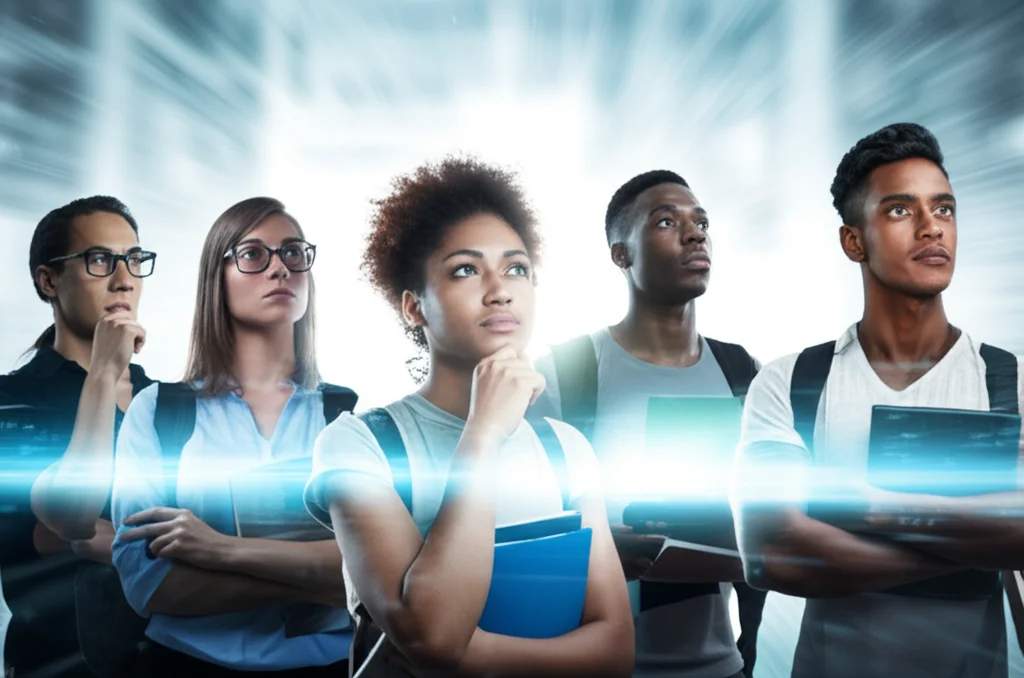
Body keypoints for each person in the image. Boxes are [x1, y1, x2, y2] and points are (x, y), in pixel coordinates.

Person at [303, 157, 634, 677]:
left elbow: (614, 653)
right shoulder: (360, 444)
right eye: (465, 269)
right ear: (414, 307)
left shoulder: (566, 447)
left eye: (516, 268)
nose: (500, 289)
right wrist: (483, 434)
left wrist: (469, 654)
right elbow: (432, 636)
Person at [732, 122, 1024, 678]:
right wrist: (979, 546)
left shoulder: (1011, 381)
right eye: (900, 210)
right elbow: (772, 555)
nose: (931, 227)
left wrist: (875, 509)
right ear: (854, 241)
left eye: (944, 208)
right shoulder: (790, 382)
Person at [530, 170, 765, 678]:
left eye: (701, 222)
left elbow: (769, 523)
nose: (694, 233)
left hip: (717, 666)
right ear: (622, 254)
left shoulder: (743, 373)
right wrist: (595, 548)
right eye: (666, 221)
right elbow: (509, 531)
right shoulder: (564, 375)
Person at [110, 197, 356, 677]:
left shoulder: (346, 416)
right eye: (252, 254)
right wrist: (317, 576)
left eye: (293, 252)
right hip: (188, 668)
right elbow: (146, 583)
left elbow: (380, 569)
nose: (280, 268)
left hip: (330, 667)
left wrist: (219, 551)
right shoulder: (160, 412)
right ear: (215, 278)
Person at [0, 196, 156, 678]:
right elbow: (52, 531)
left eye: (134, 259)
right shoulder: (13, 400)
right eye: (100, 259)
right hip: (57, 664)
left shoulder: (165, 400)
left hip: (171, 658)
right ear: (49, 281)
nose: (124, 278)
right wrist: (103, 373)